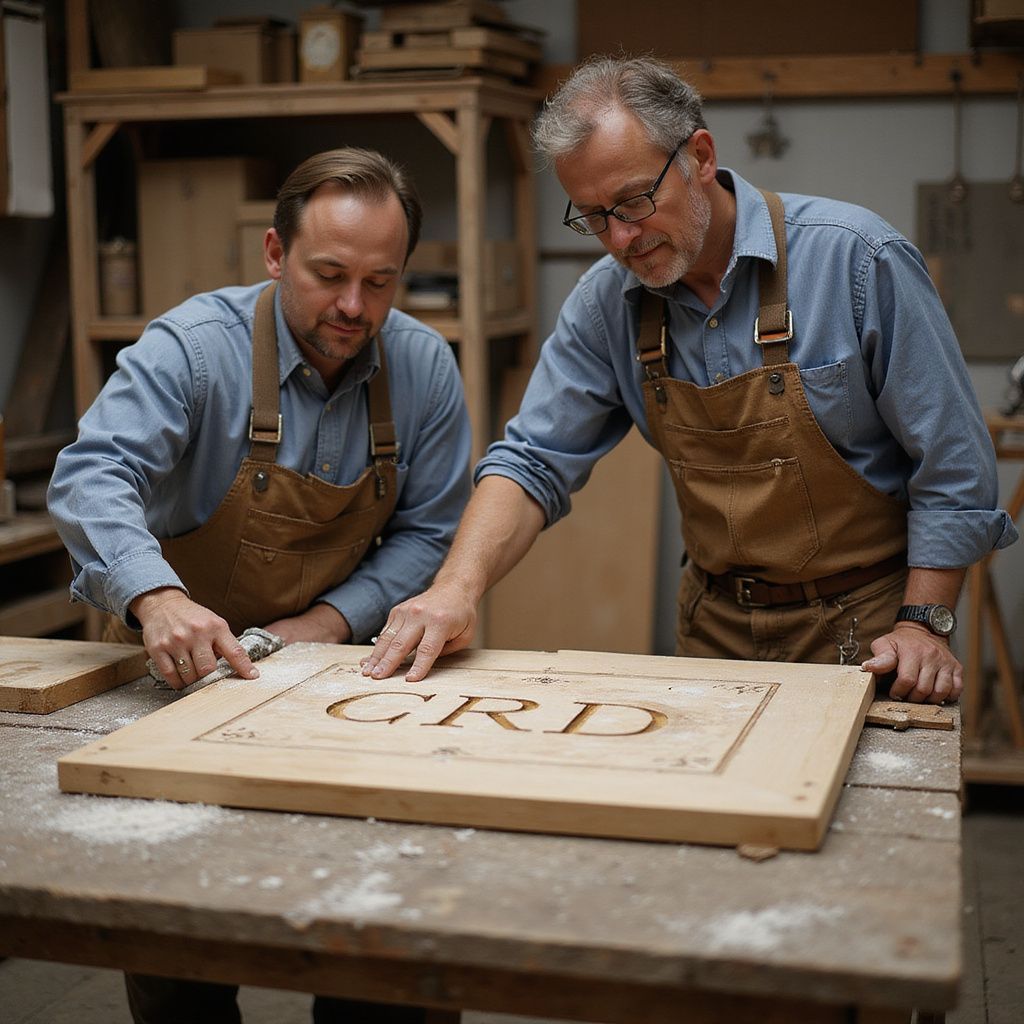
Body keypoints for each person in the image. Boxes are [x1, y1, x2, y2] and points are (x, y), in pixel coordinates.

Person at [361, 55, 1017, 702]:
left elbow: (955, 465)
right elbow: (533, 460)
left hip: (873, 633)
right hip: (715, 632)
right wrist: (455, 588)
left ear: (701, 156)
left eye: (634, 200)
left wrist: (925, 622)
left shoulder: (856, 259)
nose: (619, 238)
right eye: (592, 216)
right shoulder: (606, 303)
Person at [47, 147, 471, 1023]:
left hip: (336, 682)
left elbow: (432, 530)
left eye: (381, 282)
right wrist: (156, 598)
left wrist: (328, 621)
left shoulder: (424, 369)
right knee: (177, 942)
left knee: (376, 936)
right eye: (329, 275)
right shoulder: (192, 350)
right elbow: (92, 474)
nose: (355, 307)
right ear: (276, 255)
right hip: (167, 681)